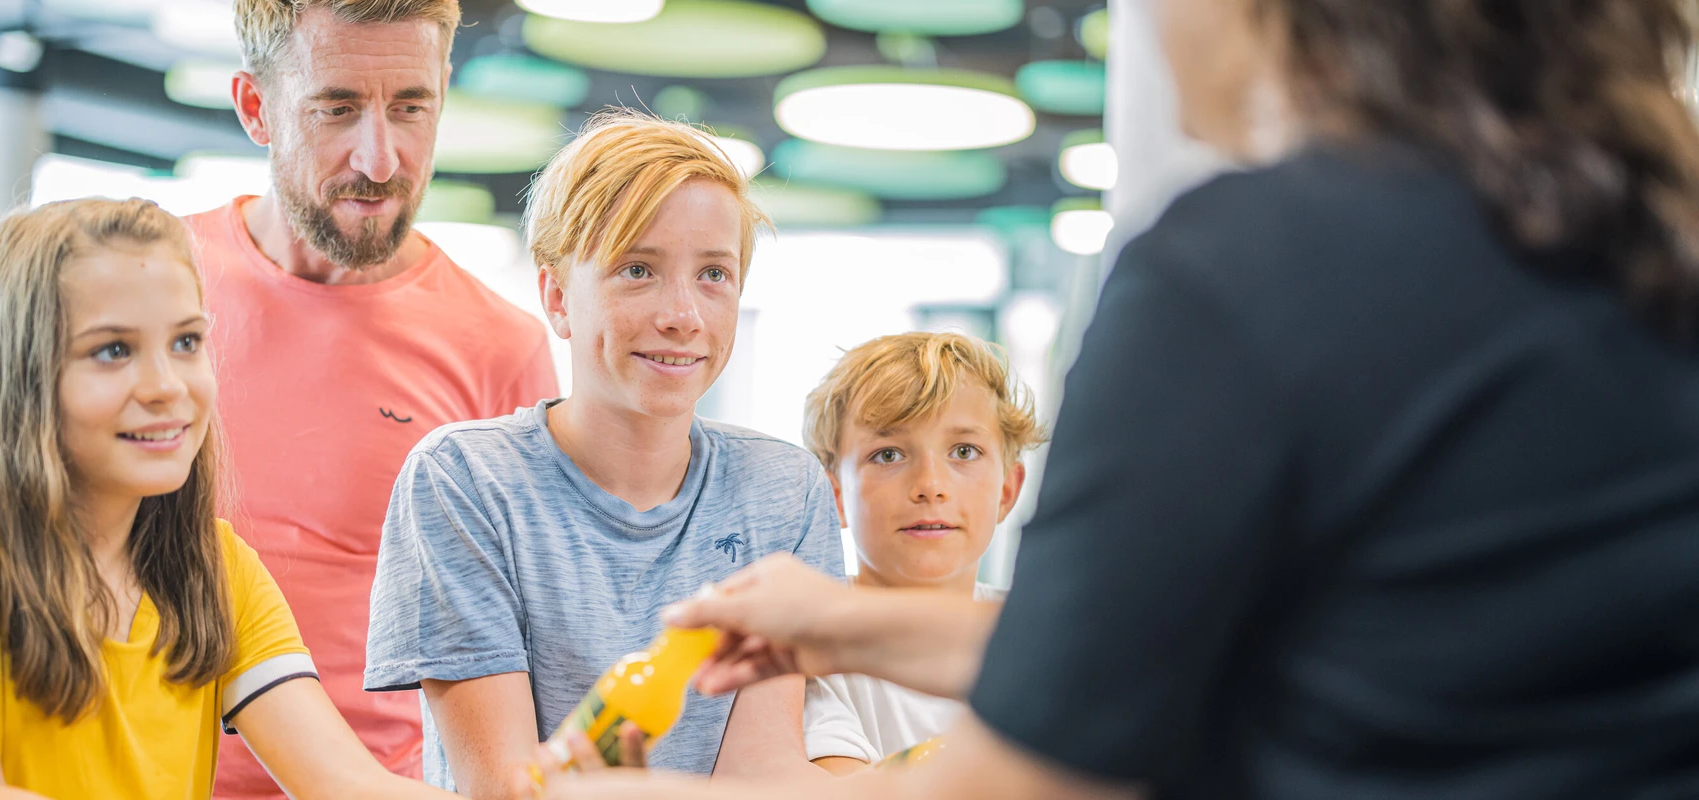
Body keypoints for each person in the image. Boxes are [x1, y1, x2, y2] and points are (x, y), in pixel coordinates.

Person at [540, 0, 1699, 798]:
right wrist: (849, 622)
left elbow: (1025, 780)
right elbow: (1311, 644)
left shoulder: (1245, 275)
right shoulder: (1649, 240)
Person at [0, 198, 464, 800]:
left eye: (187, 342)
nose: (166, 386)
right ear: (21, 374)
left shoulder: (217, 567)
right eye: (114, 350)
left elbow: (348, 786)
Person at [362, 111, 843, 798]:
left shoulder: (784, 489)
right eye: (638, 269)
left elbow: (762, 772)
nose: (683, 315)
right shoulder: (464, 481)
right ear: (557, 296)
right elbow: (506, 788)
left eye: (714, 274)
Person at [187, 0, 559, 795]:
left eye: (411, 107)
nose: (381, 160)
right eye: (338, 108)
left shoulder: (502, 351)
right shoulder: (153, 287)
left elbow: (533, 656)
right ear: (257, 107)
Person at [796, 331, 1043, 775]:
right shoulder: (811, 649)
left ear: (1008, 490)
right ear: (834, 494)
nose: (930, 484)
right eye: (888, 454)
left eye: (964, 451)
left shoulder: (1042, 635)